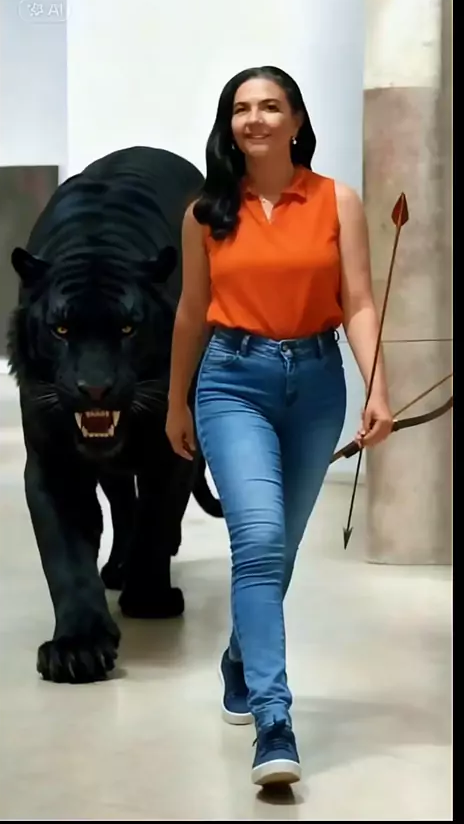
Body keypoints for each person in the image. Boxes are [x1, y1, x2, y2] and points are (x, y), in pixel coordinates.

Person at [165, 65, 393, 787]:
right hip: (232, 381)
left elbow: (359, 301)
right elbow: (191, 313)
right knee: (259, 540)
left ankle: (240, 656)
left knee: (281, 547)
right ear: (229, 125)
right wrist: (175, 402)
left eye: (270, 106)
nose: (255, 119)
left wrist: (377, 387)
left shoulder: (336, 200)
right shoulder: (206, 214)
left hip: (317, 385)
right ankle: (274, 718)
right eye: (242, 108)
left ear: (296, 121)